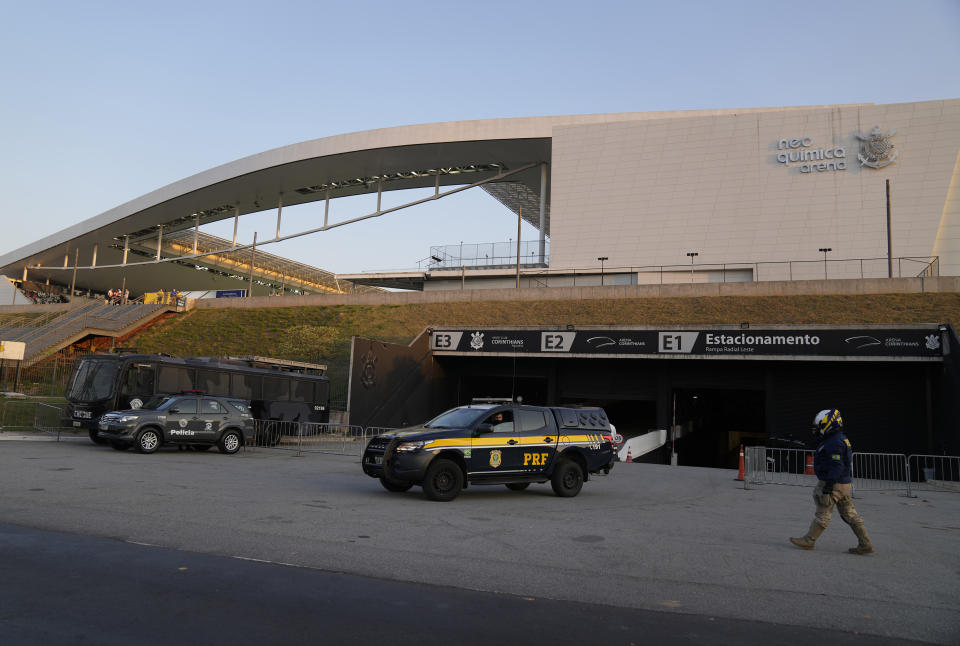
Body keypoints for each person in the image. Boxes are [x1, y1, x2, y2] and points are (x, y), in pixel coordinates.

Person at [790, 408, 874, 554]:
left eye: (820, 427)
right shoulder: (838, 439)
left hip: (834, 483)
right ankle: (865, 543)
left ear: (829, 425)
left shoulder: (834, 442)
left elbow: (836, 465)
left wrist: (828, 485)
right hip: (843, 483)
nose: (817, 430)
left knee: (823, 512)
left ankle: (809, 540)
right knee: (850, 513)